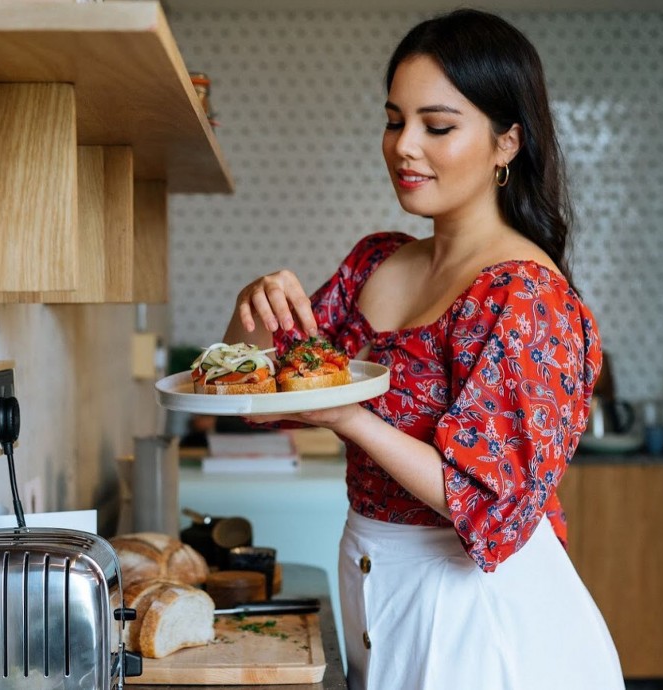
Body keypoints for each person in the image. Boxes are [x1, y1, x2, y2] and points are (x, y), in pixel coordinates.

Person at [223, 8, 624, 690]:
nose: (404, 146)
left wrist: (349, 416)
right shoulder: (377, 262)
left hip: (478, 612)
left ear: (507, 142)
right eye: (393, 120)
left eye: (437, 126)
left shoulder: (526, 299)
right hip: (374, 579)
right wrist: (250, 316)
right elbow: (258, 395)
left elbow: (486, 500)